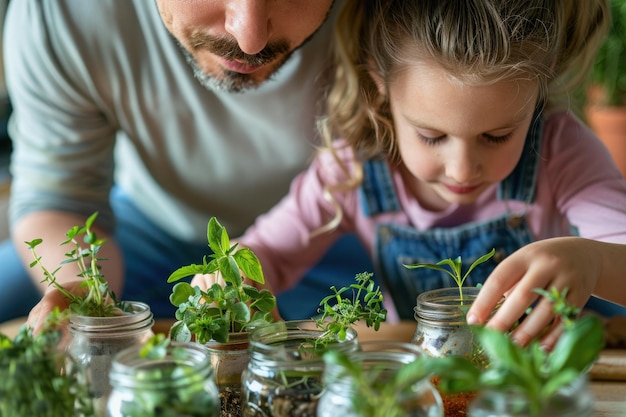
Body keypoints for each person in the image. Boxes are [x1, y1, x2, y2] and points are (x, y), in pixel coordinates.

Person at [193, 0, 626, 348]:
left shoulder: (560, 152)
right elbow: (268, 253)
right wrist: (234, 276)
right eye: (432, 136)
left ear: (535, 94)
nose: (461, 169)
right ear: (380, 83)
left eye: (496, 136)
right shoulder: (351, 169)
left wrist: (593, 259)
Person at [0, 0, 376, 328]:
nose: (250, 37)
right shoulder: (63, 11)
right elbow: (61, 196)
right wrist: (82, 291)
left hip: (330, 239)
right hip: (147, 230)